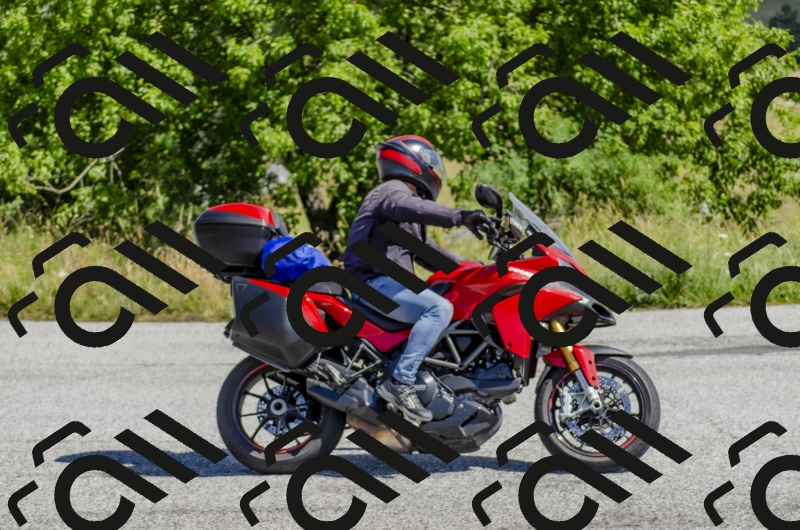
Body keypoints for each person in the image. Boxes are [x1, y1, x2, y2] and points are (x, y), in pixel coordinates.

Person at [343, 135, 489, 422]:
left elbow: (428, 254)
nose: (435, 170)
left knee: (449, 296)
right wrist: (461, 216)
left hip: (384, 284)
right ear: (414, 160)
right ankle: (401, 382)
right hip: (371, 284)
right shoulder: (392, 192)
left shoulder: (401, 207)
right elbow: (414, 208)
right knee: (438, 309)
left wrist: (479, 269)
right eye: (432, 162)